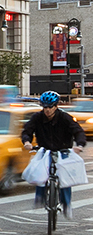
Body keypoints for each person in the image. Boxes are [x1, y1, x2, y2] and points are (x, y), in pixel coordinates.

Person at [23, 90, 87, 220]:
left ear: (56, 106)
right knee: (40, 172)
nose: (47, 110)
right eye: (45, 107)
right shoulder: (37, 117)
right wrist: (26, 142)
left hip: (63, 150)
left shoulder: (65, 118)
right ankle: (39, 197)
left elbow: (78, 131)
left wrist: (79, 145)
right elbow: (27, 130)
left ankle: (66, 204)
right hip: (45, 150)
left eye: (50, 107)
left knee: (64, 177)